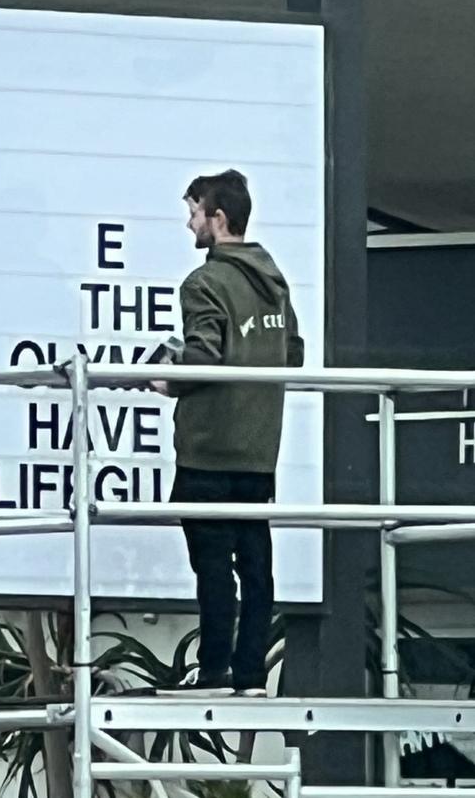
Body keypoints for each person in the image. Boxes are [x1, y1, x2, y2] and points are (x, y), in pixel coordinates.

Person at [153, 169, 304, 696]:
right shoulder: (274, 281)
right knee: (256, 563)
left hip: (209, 452)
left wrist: (163, 377)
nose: (189, 222)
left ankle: (214, 670)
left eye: (194, 211)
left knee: (214, 566)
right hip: (260, 451)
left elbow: (204, 356)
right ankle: (251, 674)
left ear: (217, 220)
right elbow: (294, 353)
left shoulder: (203, 282)